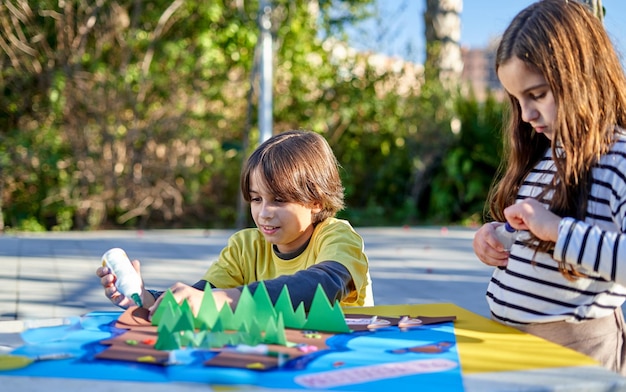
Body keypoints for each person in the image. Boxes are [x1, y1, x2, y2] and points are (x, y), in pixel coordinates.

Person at [472, 0, 626, 375]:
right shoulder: (545, 155)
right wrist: (496, 237)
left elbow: (560, 233)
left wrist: (556, 230)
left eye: (537, 95)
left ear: (582, 76)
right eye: (517, 99)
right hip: (513, 346)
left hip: (578, 356)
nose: (526, 115)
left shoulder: (618, 158)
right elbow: (536, 241)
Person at [97, 130, 373, 317]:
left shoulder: (338, 237)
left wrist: (227, 300)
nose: (264, 213)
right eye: (256, 199)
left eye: (279, 200)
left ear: (316, 201)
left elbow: (321, 286)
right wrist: (145, 300)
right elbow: (202, 296)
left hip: (339, 364)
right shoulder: (245, 246)